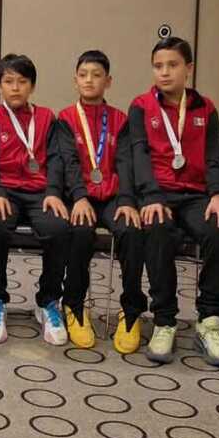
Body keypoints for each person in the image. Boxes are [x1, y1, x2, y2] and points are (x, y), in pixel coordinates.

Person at [130, 36, 219, 367]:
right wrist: (149, 196)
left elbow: (215, 156)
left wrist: (218, 195)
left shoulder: (206, 108)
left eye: (172, 65)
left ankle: (209, 320)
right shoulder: (141, 106)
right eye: (158, 66)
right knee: (157, 230)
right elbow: (139, 154)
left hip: (195, 195)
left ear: (188, 69)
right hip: (156, 193)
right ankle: (165, 319)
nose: (164, 72)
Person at [0, 53, 71, 345]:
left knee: (58, 228)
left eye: (22, 82)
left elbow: (56, 158)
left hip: (40, 193)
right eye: (8, 82)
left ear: (32, 86)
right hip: (3, 192)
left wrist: (55, 193)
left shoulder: (47, 118)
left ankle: (48, 301)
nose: (15, 88)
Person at [55, 50, 141, 350]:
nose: (89, 80)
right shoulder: (65, 118)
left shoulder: (120, 120)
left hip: (115, 197)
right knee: (79, 232)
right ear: (75, 79)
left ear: (108, 81)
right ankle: (75, 306)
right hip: (80, 198)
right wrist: (78, 197)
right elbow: (68, 163)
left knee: (131, 232)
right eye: (83, 74)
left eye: (96, 74)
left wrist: (129, 200)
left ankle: (131, 311)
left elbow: (128, 164)